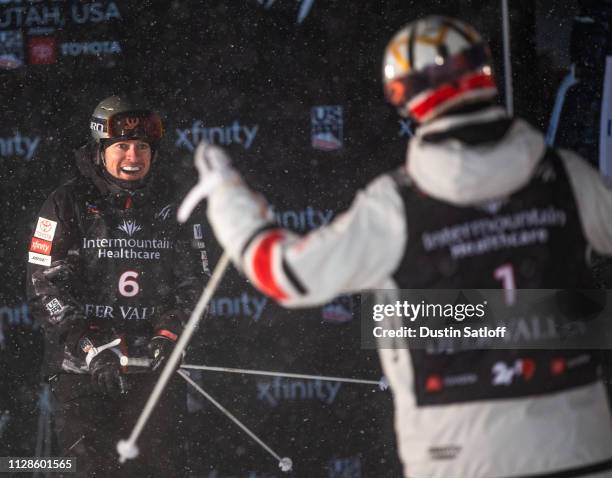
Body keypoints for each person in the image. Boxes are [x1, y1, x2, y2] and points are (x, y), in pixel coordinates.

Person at [178, 16, 612, 478]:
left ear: (403, 96)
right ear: (485, 75)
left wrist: (228, 202)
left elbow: (283, 274)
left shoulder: (395, 206)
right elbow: (514, 314)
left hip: (462, 459)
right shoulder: (569, 177)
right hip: (582, 447)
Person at [27, 95, 210, 477]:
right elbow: (44, 287)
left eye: (143, 146)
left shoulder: (177, 203)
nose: (133, 155)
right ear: (99, 149)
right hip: (84, 375)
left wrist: (170, 333)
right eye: (122, 146)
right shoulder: (66, 202)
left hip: (152, 372)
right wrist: (91, 345)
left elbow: (196, 282)